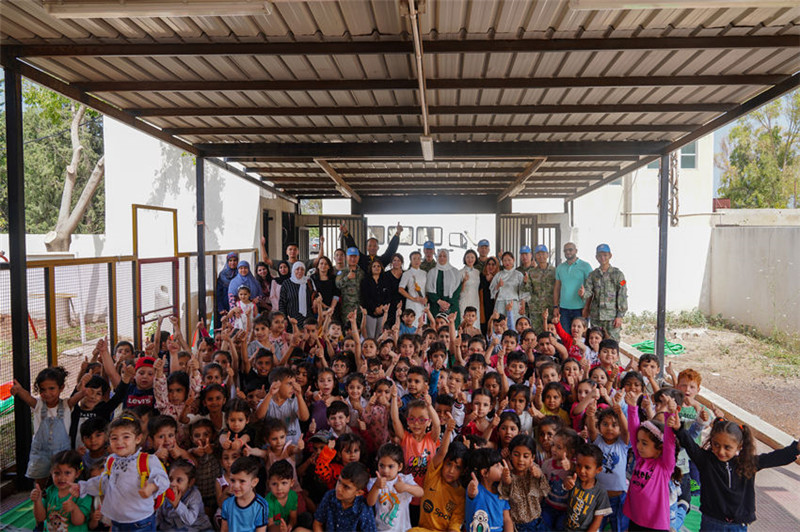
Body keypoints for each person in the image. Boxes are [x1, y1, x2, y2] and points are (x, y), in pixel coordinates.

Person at [671, 411, 800, 531]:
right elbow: (689, 445)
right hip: (711, 522)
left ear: (739, 446)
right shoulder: (706, 461)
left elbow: (774, 458)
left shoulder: (747, 463)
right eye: (716, 445)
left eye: (727, 447)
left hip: (738, 525)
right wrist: (679, 429)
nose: (721, 451)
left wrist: (796, 449)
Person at [71, 412, 170, 530]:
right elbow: (104, 483)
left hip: (141, 522)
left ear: (138, 438)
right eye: (114, 438)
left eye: (126, 437)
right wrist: (83, 487)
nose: (119, 442)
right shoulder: (111, 460)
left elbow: (164, 480)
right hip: (116, 522)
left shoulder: (148, 460)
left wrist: (152, 487)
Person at [10, 367, 81, 485]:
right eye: (43, 390)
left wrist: (83, 391)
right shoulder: (38, 405)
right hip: (41, 453)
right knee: (40, 482)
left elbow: (75, 398)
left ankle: (61, 500)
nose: (47, 393)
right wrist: (19, 390)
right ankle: (40, 499)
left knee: (63, 479)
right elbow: (28, 397)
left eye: (51, 388)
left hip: (61, 453)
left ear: (61, 388)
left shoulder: (66, 405)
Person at [366, 443, 423, 532]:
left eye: (390, 466)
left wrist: (406, 487)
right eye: (382, 465)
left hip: (404, 529)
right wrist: (376, 487)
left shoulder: (404, 479)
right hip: (381, 530)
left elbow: (421, 492)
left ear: (399, 467)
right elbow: (370, 503)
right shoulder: (374, 482)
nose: (385, 470)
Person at [31, 450, 92, 531]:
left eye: (67, 473)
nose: (61, 478)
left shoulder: (83, 493)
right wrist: (37, 501)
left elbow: (78, 522)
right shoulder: (49, 491)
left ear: (77, 474)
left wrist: (74, 508)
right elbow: (40, 518)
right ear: (51, 472)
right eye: (57, 473)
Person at [581, 244, 627, 341]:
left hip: (612, 317)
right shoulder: (593, 275)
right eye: (600, 255)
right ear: (596, 257)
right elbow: (589, 291)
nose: (603, 258)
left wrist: (619, 316)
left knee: (612, 343)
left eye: (605, 255)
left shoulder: (618, 274)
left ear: (610, 255)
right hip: (596, 316)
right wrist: (583, 293)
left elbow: (622, 295)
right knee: (596, 342)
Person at [313, 462, 376, 532]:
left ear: (359, 493)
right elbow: (317, 523)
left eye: (346, 487)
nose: (339, 488)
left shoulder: (363, 509)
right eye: (339, 481)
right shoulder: (330, 495)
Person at [156, 459, 213, 532]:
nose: (173, 484)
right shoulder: (164, 493)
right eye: (170, 479)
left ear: (190, 482)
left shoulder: (194, 495)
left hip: (196, 528)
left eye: (179, 480)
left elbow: (190, 520)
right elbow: (158, 517)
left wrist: (177, 505)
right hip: (172, 528)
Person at [464, 448, 513, 532]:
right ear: (484, 472)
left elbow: (507, 519)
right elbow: (472, 494)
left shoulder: (502, 491)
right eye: (497, 466)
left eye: (501, 464)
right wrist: (472, 491)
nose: (502, 468)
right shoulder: (476, 488)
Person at [220, 456, 270, 532]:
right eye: (232, 480)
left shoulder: (261, 506)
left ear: (254, 482)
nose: (236, 486)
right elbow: (224, 530)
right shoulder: (227, 504)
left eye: (242, 481)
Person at [554, 243, 593, 333]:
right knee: (565, 337)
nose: (568, 252)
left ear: (576, 251)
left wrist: (587, 308)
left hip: (580, 309)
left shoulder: (585, 266)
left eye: (570, 249)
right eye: (565, 250)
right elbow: (557, 288)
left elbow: (590, 289)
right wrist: (556, 306)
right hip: (564, 310)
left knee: (581, 338)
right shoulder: (560, 268)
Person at [490, 252, 528, 331]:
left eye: (509, 260)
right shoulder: (499, 275)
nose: (507, 262)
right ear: (502, 262)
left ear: (513, 260)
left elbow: (523, 292)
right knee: (499, 324)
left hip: (513, 303)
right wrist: (498, 286)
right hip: (500, 302)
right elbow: (492, 291)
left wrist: (523, 306)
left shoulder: (518, 274)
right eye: (505, 260)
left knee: (513, 324)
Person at [526, 244, 556, 333]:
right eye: (538, 254)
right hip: (536, 309)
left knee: (551, 334)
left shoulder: (555, 271)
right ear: (535, 256)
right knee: (537, 333)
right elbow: (527, 290)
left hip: (550, 308)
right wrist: (525, 282)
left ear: (547, 255)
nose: (541, 256)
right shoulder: (531, 272)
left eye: (543, 253)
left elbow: (559, 289)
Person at [425, 249, 462, 324]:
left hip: (451, 305)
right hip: (435, 305)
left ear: (448, 257)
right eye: (440, 256)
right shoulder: (432, 272)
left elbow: (457, 290)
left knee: (451, 329)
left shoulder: (455, 272)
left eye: (444, 256)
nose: (442, 258)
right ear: (437, 258)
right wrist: (439, 301)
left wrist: (447, 304)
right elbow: (429, 289)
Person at [361, 259, 393, 339]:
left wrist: (382, 307)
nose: (376, 268)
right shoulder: (365, 281)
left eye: (378, 266)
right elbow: (365, 297)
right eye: (374, 266)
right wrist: (375, 308)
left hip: (382, 312)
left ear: (381, 268)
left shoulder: (386, 280)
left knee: (380, 336)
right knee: (370, 336)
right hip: (370, 312)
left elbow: (389, 296)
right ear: (371, 268)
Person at [280, 261, 315, 329]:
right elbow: (282, 302)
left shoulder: (308, 282)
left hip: (308, 319)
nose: (300, 271)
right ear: (293, 270)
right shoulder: (287, 283)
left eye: (302, 269)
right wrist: (283, 318)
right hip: (291, 319)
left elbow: (314, 297)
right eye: (297, 269)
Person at [337, 247, 366, 324]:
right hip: (347, 309)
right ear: (346, 257)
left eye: (355, 256)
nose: (353, 259)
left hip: (359, 309)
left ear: (358, 257)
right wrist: (347, 278)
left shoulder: (362, 273)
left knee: (359, 332)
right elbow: (337, 285)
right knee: (348, 332)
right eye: (351, 256)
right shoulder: (342, 272)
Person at [399, 251, 428, 323]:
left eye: (418, 258)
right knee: (412, 323)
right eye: (414, 259)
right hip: (412, 303)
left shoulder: (424, 273)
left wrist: (426, 299)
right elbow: (400, 289)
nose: (416, 261)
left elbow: (427, 289)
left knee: (422, 324)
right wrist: (413, 299)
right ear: (411, 260)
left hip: (422, 303)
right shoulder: (407, 273)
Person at [478, 256, 499, 335]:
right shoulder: (481, 276)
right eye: (488, 264)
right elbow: (480, 289)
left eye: (493, 264)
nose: (491, 266)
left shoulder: (499, 277)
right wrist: (487, 281)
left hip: (495, 306)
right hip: (483, 306)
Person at [459, 249, 480, 320]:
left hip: (475, 299)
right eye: (468, 257)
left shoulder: (477, 272)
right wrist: (464, 281)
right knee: (465, 319)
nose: (470, 259)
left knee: (474, 319)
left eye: (472, 257)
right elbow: (458, 291)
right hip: (464, 299)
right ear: (464, 259)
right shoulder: (460, 272)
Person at [216, 252, 239, 317]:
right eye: (230, 260)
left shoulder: (240, 273)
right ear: (227, 262)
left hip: (238, 305)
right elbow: (218, 294)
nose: (232, 263)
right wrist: (221, 308)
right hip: (225, 306)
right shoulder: (222, 275)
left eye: (234, 260)